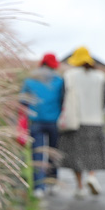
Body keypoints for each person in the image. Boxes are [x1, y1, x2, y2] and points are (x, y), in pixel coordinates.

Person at [58, 46, 105, 198]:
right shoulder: (100, 76)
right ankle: (92, 177)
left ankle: (80, 187)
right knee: (93, 153)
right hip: (95, 120)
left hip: (76, 121)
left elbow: (63, 98)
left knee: (77, 155)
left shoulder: (69, 75)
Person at [20, 53, 65, 198]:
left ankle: (39, 187)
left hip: (35, 121)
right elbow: (64, 100)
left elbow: (22, 102)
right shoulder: (58, 80)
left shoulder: (30, 80)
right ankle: (52, 182)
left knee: (37, 153)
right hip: (54, 121)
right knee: (54, 152)